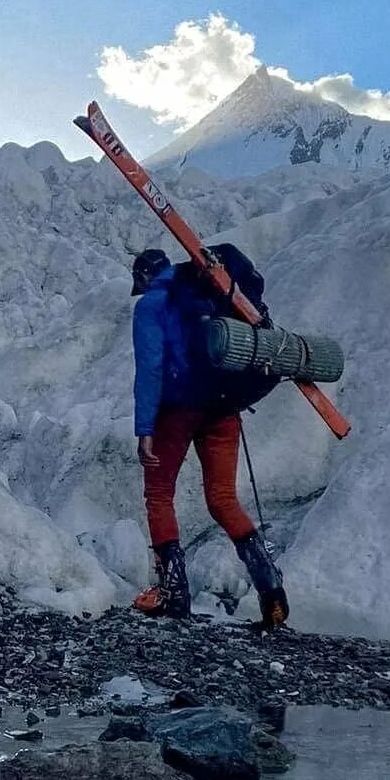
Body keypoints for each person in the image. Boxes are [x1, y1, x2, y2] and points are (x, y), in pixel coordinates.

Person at [130, 247, 287, 626]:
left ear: (144, 276)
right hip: (223, 407)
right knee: (222, 498)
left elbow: (151, 367)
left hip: (178, 410)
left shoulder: (151, 305)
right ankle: (272, 592)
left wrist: (145, 429)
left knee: (159, 492)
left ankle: (174, 594)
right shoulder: (210, 290)